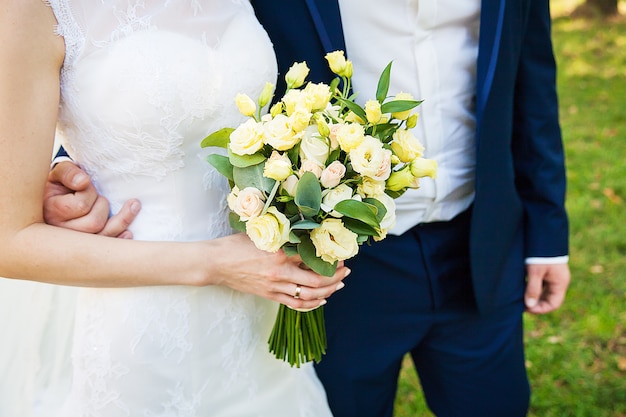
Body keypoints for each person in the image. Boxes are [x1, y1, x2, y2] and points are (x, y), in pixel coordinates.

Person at [44, 0, 572, 416]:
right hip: (330, 265)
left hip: (484, 243)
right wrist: (83, 158)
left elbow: (531, 75)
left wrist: (547, 228)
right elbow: (165, 56)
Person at [0, 1, 351, 416]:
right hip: (139, 335)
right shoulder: (31, 10)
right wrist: (216, 263)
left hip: (263, 312)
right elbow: (10, 240)